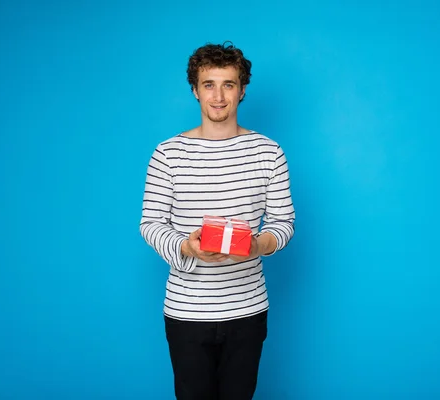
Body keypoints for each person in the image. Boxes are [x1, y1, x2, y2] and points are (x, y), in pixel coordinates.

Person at [139, 41, 295, 400]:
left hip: (248, 310)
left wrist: (258, 244)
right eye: (209, 84)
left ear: (242, 90)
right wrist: (185, 245)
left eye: (228, 84)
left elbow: (283, 223)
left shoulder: (269, 152)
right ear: (195, 90)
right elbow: (150, 223)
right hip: (186, 313)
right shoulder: (168, 154)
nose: (219, 96)